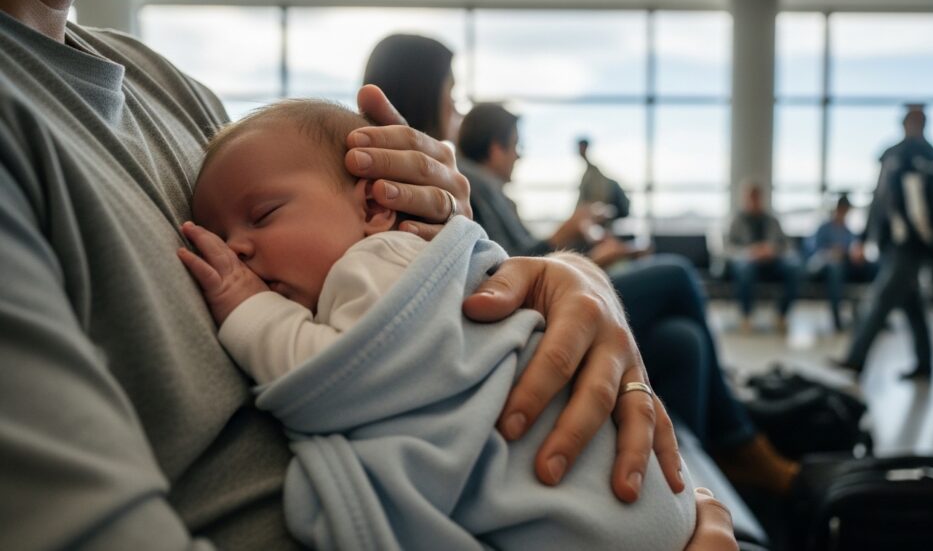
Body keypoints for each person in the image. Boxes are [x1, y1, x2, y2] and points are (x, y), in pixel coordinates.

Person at [0, 0, 690, 548]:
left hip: (557, 485)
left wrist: (559, 280)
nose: (234, 249)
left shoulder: (169, 90)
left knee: (680, 344)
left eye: (261, 217)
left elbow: (436, 307)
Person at [177, 99, 697, 550]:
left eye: (263, 215)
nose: (236, 250)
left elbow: (329, 375)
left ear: (377, 207)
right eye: (219, 239)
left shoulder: (379, 258)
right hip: (629, 505)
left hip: (593, 512)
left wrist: (244, 303)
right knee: (682, 340)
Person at [453, 102, 800, 496]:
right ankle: (740, 441)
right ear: (495, 148)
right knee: (677, 276)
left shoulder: (486, 189)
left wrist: (586, 253)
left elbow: (519, 258)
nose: (519, 155)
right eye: (515, 145)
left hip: (550, 290)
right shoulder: (475, 185)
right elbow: (516, 267)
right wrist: (566, 238)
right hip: (544, 305)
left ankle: (700, 468)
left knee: (683, 340)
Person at [839, 105, 933, 380]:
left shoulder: (929, 156)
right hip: (894, 243)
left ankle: (855, 360)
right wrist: (862, 238)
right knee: (911, 304)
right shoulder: (894, 156)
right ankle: (925, 364)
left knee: (881, 300)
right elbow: (879, 201)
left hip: (914, 244)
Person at [725, 182, 802, 333]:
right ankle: (746, 316)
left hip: (772, 262)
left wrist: (773, 250)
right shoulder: (737, 221)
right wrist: (750, 252)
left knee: (795, 268)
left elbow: (787, 246)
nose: (754, 201)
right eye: (751, 198)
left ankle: (781, 315)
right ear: (746, 199)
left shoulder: (772, 221)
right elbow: (727, 248)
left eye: (757, 197)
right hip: (748, 262)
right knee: (744, 268)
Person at [806, 194, 877, 331]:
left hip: (846, 265)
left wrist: (857, 255)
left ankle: (874, 316)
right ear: (837, 209)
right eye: (842, 209)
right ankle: (837, 319)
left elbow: (852, 251)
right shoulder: (824, 229)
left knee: (875, 266)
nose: (843, 213)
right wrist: (832, 252)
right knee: (835, 268)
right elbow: (813, 251)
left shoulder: (848, 232)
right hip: (824, 267)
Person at [577, 136, 631, 222]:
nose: (580, 150)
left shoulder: (594, 175)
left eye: (581, 147)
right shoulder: (590, 173)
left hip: (606, 213)